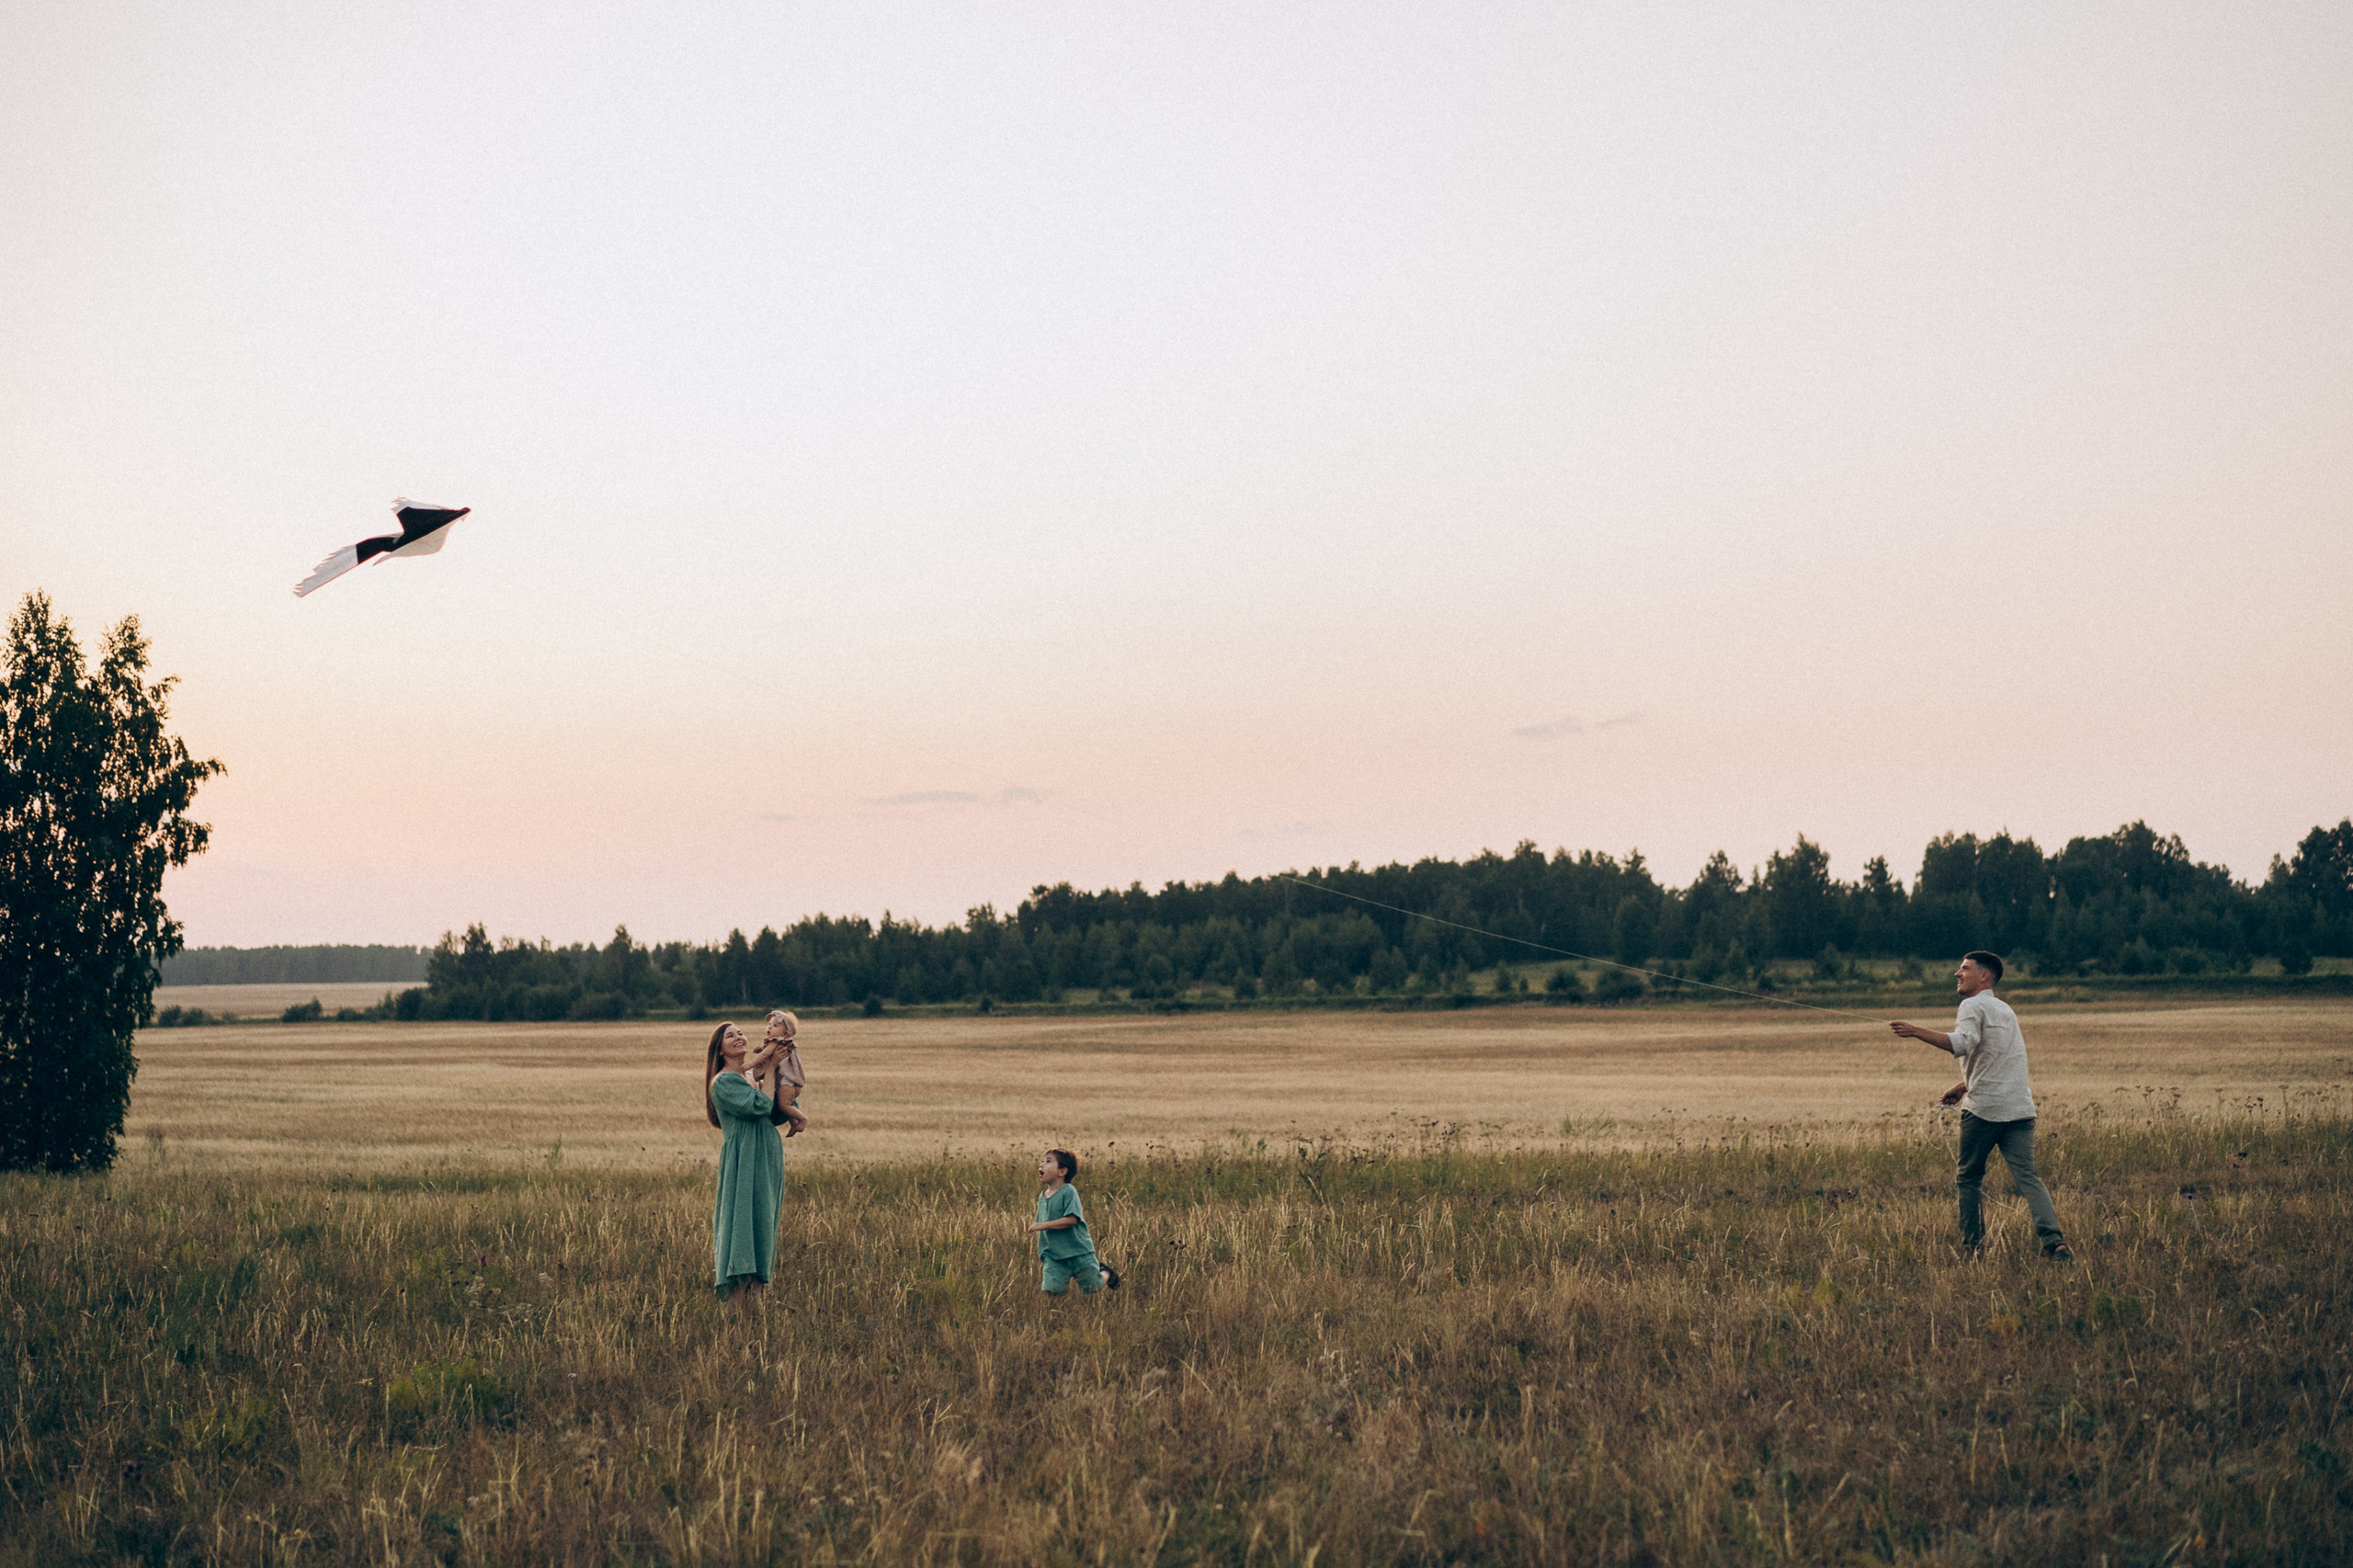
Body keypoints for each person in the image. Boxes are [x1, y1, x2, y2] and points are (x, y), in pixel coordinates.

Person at [1891, 951, 2073, 1260]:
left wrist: (1915, 1031)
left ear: (1984, 977)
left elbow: (1962, 1043)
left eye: (1964, 969)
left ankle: (1973, 1249)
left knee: (1969, 1178)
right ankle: (2054, 1243)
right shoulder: (2005, 1010)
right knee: (2029, 1178)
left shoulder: (1971, 1005)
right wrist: (1963, 1086)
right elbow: (1999, 1059)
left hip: (1985, 1110)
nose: (1957, 974)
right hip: (2020, 1109)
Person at [705, 1020, 787, 1304]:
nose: (738, 1037)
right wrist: (772, 1069)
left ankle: (756, 1309)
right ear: (719, 1050)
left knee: (762, 1223)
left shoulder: (752, 1076)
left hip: (765, 1156)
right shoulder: (725, 1081)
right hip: (743, 1159)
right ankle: (736, 1311)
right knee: (743, 1225)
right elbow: (760, 1106)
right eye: (730, 1036)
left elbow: (777, 1112)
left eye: (740, 1033)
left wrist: (777, 1073)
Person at [1025, 1148, 1120, 1296]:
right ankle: (1054, 1316)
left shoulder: (1068, 1191)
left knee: (1093, 1287)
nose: (1041, 1165)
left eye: (1048, 1161)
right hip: (1054, 1255)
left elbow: (1072, 1219)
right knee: (1051, 1291)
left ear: (1062, 1172)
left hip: (1078, 1252)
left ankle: (1106, 1274)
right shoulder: (1042, 1197)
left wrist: (1042, 1226)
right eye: (1042, 1161)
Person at [763, 1010, 808, 1137]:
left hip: (787, 1082)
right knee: (782, 1102)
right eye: (769, 1024)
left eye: (775, 1025)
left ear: (786, 1033)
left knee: (784, 1104)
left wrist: (749, 1065)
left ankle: (802, 1119)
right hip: (783, 1081)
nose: (770, 1027)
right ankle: (793, 1123)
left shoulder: (778, 1042)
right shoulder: (778, 1042)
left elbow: (764, 1055)